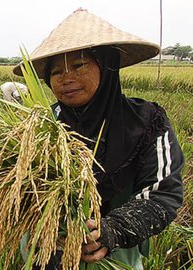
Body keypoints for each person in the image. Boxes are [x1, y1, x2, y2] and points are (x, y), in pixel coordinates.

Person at [13, 8, 183, 269]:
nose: (67, 78)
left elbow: (163, 194)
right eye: (56, 72)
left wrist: (113, 229)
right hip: (45, 256)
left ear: (107, 66)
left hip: (114, 259)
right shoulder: (42, 126)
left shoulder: (147, 121)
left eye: (79, 65)